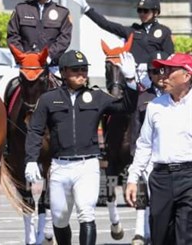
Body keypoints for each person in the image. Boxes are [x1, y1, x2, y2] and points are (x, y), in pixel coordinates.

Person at [25, 49, 138, 245]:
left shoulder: (97, 96)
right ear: (63, 72)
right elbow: (35, 130)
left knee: (86, 213)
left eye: (84, 69)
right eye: (76, 70)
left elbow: (125, 107)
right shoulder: (48, 99)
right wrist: (31, 160)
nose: (81, 74)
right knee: (59, 218)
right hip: (60, 166)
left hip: (88, 166)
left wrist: (130, 81)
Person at [125, 53, 192, 245]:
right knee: (160, 235)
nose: (163, 75)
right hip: (161, 178)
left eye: (170, 70)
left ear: (187, 76)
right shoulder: (155, 106)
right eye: (162, 70)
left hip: (189, 176)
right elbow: (144, 144)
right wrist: (132, 178)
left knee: (186, 236)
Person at [72, 0, 174, 66]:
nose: (142, 14)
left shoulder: (164, 31)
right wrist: (87, 9)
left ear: (155, 12)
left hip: (153, 75)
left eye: (146, 11)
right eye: (140, 10)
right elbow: (107, 24)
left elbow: (169, 57)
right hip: (134, 76)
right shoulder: (133, 30)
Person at [7, 0, 72, 70]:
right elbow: (12, 36)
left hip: (51, 66)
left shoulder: (62, 13)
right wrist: (23, 57)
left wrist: (47, 57)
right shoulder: (21, 9)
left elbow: (64, 39)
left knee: (65, 85)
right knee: (3, 85)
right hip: (23, 65)